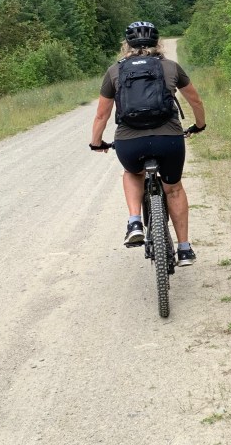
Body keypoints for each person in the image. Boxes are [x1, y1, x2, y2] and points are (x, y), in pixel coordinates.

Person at [89, 21, 207, 265]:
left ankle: (134, 222)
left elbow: (101, 115)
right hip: (169, 140)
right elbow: (196, 101)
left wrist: (96, 142)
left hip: (130, 142)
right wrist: (199, 125)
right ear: (157, 43)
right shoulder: (171, 67)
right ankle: (184, 249)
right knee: (173, 188)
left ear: (126, 45)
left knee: (133, 173)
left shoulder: (115, 71)